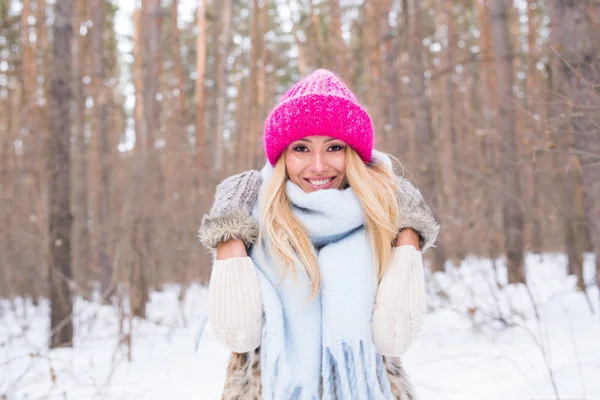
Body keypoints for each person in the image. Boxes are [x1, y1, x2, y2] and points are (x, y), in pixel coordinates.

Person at [199, 69, 440, 400]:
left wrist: (409, 231)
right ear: (282, 154)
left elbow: (394, 338)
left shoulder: (383, 222)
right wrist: (229, 231)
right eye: (300, 148)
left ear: (353, 154)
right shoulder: (254, 219)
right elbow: (238, 333)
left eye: (334, 148)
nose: (317, 166)